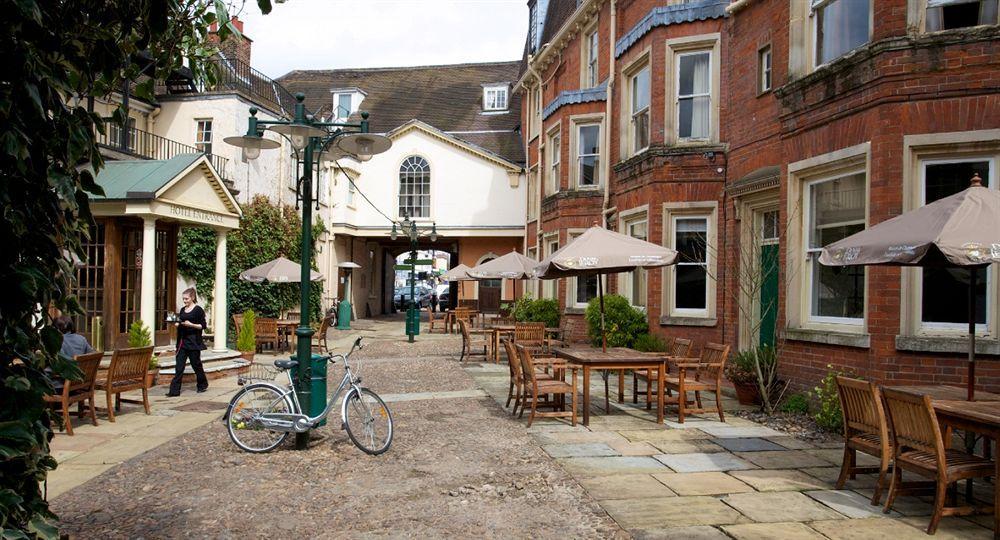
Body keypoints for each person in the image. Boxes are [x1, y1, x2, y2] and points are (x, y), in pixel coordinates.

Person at [167, 287, 208, 396]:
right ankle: (174, 391)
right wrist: (176, 324)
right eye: (183, 299)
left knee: (196, 365)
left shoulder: (198, 310)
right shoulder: (182, 310)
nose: (184, 301)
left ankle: (202, 385)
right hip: (182, 342)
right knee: (179, 367)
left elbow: (203, 326)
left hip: (194, 342)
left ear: (192, 298)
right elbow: (180, 322)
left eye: (186, 299)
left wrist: (191, 325)